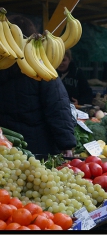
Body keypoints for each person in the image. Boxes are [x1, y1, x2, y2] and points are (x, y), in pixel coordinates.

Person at [0, 15, 76, 156]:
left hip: (4, 146)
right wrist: (67, 144)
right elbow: (57, 107)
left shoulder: (2, 67)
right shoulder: (41, 69)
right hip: (38, 148)